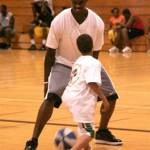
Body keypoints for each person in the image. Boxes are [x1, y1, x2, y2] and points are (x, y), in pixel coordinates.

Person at [24, 0, 122, 149]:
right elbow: (50, 55)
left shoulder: (97, 22)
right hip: (63, 63)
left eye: (80, 1)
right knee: (50, 97)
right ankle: (33, 140)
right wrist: (46, 83)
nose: (77, 3)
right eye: (74, 1)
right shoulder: (59, 20)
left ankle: (102, 131)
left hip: (86, 62)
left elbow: (94, 56)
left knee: (112, 95)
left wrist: (90, 76)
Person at [62, 34, 110, 150]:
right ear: (92, 46)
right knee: (90, 132)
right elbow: (91, 83)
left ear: (78, 48)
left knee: (83, 128)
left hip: (70, 95)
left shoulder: (78, 61)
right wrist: (104, 99)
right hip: (81, 99)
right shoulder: (93, 62)